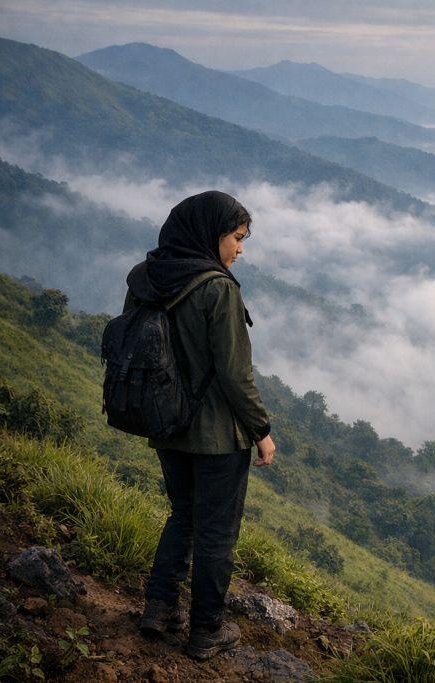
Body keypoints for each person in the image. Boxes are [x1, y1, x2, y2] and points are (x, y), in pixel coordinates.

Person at [122, 190, 276, 660]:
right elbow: (234, 373)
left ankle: (158, 609)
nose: (240, 249)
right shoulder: (218, 287)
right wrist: (261, 430)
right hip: (215, 437)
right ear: (213, 235)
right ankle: (206, 632)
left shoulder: (147, 278)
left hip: (167, 425)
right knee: (216, 534)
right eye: (236, 237)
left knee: (182, 516)